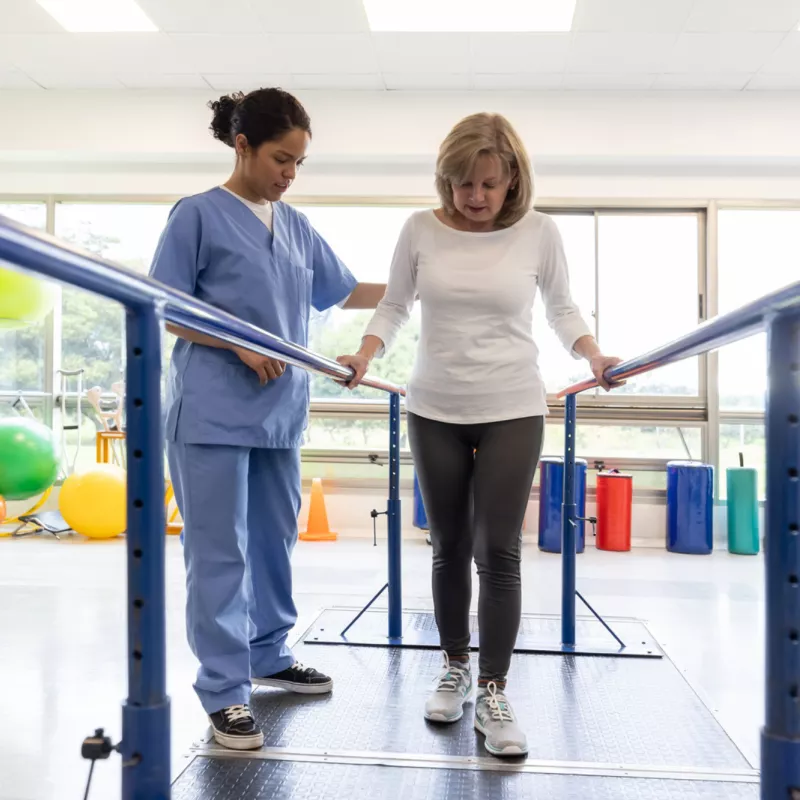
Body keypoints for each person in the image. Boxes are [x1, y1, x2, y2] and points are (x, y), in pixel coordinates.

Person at [338, 113, 621, 758]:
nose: (475, 197)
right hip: (434, 404)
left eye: (489, 184)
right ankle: (455, 666)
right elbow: (394, 304)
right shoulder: (418, 229)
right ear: (446, 180)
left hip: (512, 405)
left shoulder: (539, 232)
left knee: (499, 551)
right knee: (448, 543)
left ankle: (494, 689)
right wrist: (365, 354)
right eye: (463, 183)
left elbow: (562, 307)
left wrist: (594, 356)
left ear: (512, 178)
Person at [149, 88, 385, 751]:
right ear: (243, 145)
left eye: (299, 163)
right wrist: (236, 343)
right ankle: (225, 692)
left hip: (279, 414)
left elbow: (345, 289)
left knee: (274, 543)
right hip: (211, 413)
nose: (289, 173)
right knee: (220, 553)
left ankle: (268, 653)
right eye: (282, 158)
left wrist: (430, 276)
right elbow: (163, 306)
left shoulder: (299, 226)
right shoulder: (197, 214)